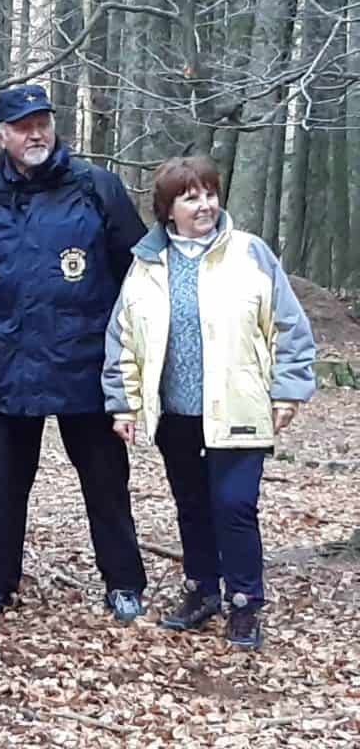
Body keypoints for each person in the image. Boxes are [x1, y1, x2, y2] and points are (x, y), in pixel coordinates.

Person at [104, 156, 315, 649]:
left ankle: (245, 602)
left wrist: (288, 390)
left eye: (210, 194)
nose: (204, 205)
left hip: (239, 408)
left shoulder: (250, 253)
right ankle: (201, 592)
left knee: (234, 505)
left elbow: (289, 327)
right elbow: (124, 339)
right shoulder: (146, 265)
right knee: (192, 506)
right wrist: (124, 403)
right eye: (190, 197)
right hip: (175, 414)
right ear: (167, 209)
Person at [0, 85, 148, 621]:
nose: (36, 134)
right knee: (4, 483)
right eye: (23, 127)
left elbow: (136, 272)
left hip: (85, 362)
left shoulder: (96, 187)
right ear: (2, 136)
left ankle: (124, 583)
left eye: (42, 122)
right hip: (11, 362)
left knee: (106, 481)